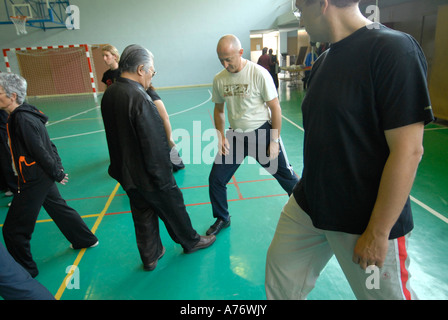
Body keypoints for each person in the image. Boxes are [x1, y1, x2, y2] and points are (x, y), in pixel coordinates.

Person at [265, 0, 434, 300]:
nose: (299, 16)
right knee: (281, 279)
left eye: (300, 8)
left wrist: (378, 232)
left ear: (323, 3)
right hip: (310, 204)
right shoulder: (323, 61)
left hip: (364, 217)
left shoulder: (392, 50)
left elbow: (409, 151)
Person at [101, 44, 215, 271]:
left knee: (142, 213)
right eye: (152, 70)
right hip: (149, 173)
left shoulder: (111, 92)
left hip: (127, 173)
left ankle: (150, 255)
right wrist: (164, 176)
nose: (153, 74)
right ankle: (191, 241)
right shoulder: (139, 97)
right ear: (141, 69)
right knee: (173, 206)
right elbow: (153, 142)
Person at [0, 73, 99, 278]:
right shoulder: (27, 114)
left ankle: (25, 271)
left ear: (12, 95)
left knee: (13, 230)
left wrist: (57, 172)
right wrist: (56, 170)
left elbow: (39, 149)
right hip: (42, 175)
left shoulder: (21, 119)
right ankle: (85, 239)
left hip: (34, 178)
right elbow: (49, 144)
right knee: (58, 208)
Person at [207, 35, 299, 236]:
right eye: (221, 59)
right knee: (216, 179)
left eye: (229, 58)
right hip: (235, 137)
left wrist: (274, 140)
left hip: (262, 134)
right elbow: (219, 110)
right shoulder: (219, 79)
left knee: (288, 178)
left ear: (240, 53)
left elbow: (275, 108)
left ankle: (308, 212)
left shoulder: (259, 73)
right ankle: (222, 217)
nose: (225, 63)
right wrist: (221, 136)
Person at [101, 44, 185, 172]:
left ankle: (175, 161)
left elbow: (164, 116)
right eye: (103, 56)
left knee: (163, 147)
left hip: (141, 102)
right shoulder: (109, 77)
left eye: (107, 55)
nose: (104, 59)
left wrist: (169, 139)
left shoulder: (141, 89)